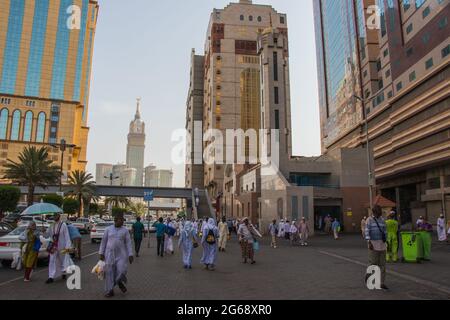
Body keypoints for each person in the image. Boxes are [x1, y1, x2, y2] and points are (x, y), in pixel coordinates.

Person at [99, 213, 134, 298]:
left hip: (121, 254)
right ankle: (110, 290)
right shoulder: (108, 229)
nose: (122, 221)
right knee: (109, 273)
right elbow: (103, 241)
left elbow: (128, 243)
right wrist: (101, 253)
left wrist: (130, 254)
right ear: (115, 220)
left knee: (122, 270)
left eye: (123, 220)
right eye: (121, 220)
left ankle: (118, 281)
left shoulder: (125, 230)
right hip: (109, 254)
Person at [365, 205, 388, 290]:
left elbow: (385, 231)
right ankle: (368, 275)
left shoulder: (383, 220)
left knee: (382, 264)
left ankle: (381, 283)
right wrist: (369, 242)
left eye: (380, 212)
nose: (379, 214)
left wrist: (386, 241)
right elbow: (367, 232)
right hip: (373, 244)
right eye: (378, 212)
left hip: (382, 244)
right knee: (373, 263)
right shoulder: (369, 220)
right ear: (374, 212)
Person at [45, 213, 72, 284]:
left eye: (56, 215)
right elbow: (47, 235)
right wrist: (43, 231)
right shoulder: (51, 225)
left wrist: (67, 246)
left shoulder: (63, 225)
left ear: (59, 216)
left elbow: (67, 236)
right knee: (52, 260)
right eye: (54, 216)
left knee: (62, 260)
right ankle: (51, 276)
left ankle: (63, 272)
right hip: (53, 246)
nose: (54, 217)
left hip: (62, 246)